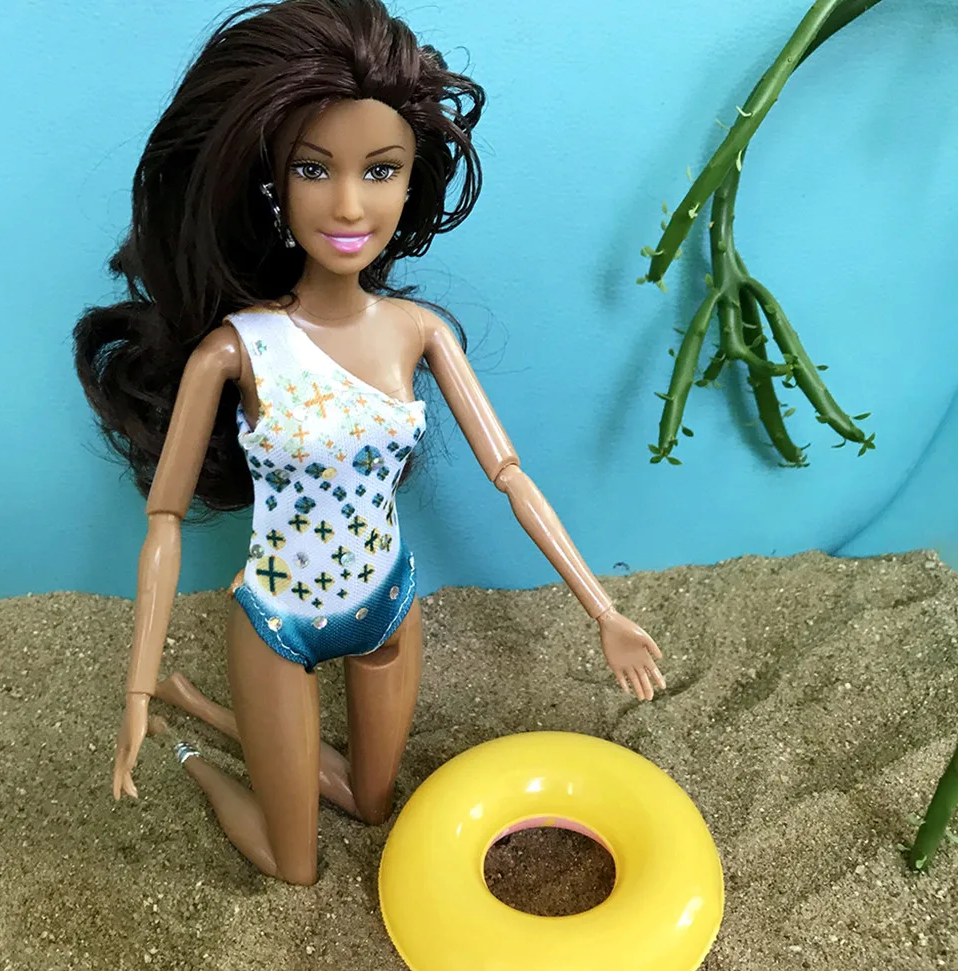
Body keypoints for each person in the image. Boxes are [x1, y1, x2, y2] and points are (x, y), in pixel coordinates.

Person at [74, 0, 665, 886]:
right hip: (278, 623)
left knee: (371, 802)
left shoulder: (418, 332)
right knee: (295, 865)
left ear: (410, 181)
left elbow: (510, 473)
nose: (349, 205)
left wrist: (604, 612)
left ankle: (206, 710)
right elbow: (163, 521)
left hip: (387, 605)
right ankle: (194, 757)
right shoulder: (234, 349)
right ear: (274, 186)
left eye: (380, 170)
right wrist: (134, 681)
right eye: (314, 169)